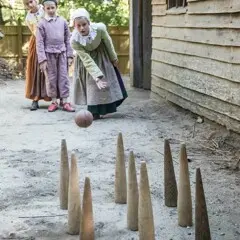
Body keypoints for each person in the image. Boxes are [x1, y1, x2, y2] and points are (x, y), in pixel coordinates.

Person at [70, 8, 127, 120]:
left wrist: (113, 57)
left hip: (102, 57)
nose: (82, 28)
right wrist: (97, 77)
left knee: (107, 82)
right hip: (87, 63)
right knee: (92, 86)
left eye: (84, 24)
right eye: (78, 26)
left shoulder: (100, 29)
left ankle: (107, 107)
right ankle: (94, 111)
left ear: (89, 23)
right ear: (74, 26)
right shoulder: (74, 40)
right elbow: (86, 59)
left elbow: (108, 42)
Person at [36, 0, 75, 112]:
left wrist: (69, 55)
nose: (51, 10)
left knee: (63, 77)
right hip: (48, 55)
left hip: (62, 53)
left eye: (53, 7)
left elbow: (68, 39)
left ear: (56, 7)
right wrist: (42, 60)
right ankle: (54, 102)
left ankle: (65, 101)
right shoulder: (41, 24)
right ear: (44, 9)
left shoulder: (62, 21)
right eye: (48, 8)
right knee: (51, 78)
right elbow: (39, 43)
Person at [23, 0, 51, 110]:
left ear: (36, 1)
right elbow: (33, 31)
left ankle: (57, 98)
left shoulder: (45, 9)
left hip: (50, 40)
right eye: (27, 3)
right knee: (36, 69)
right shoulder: (28, 18)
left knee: (51, 68)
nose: (30, 5)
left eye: (31, 1)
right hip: (36, 42)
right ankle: (35, 98)